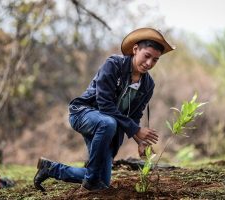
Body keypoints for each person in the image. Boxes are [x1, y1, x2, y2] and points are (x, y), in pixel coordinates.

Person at [33, 27, 175, 192]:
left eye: (155, 60)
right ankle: (90, 178)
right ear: (135, 50)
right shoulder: (113, 65)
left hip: (109, 127)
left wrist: (140, 140)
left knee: (102, 182)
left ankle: (50, 169)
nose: (149, 63)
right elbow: (104, 104)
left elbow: (135, 115)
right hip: (83, 113)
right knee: (108, 123)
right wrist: (136, 129)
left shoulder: (148, 85)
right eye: (147, 56)